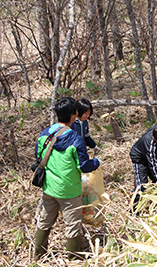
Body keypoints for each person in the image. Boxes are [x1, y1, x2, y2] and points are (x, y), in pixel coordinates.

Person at [34, 97, 100, 260]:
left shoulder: (45, 134)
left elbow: (38, 155)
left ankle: (38, 257)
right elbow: (84, 166)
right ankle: (74, 259)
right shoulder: (75, 139)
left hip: (49, 188)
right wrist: (97, 162)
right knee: (72, 226)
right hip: (69, 191)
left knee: (44, 221)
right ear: (73, 115)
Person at [129, 125, 157, 210]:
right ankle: (135, 209)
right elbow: (153, 166)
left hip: (152, 156)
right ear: (154, 139)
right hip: (140, 158)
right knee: (141, 185)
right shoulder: (150, 145)